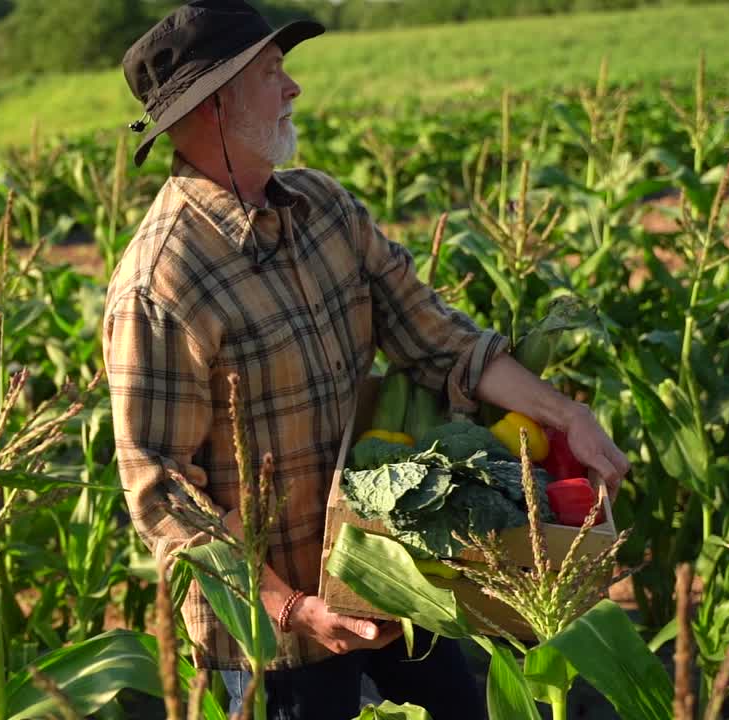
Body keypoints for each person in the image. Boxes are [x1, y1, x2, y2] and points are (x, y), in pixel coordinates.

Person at [101, 2, 632, 718]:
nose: (293, 90)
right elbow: (161, 492)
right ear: (216, 105)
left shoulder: (324, 209)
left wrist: (569, 417)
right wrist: (291, 609)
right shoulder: (161, 282)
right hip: (277, 638)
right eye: (272, 74)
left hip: (394, 579)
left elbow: (437, 337)